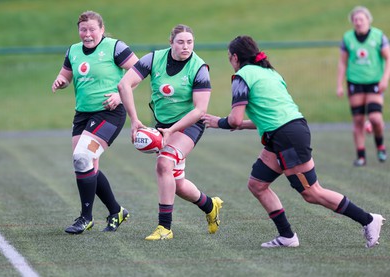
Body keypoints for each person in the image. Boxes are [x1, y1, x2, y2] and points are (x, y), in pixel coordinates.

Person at [202, 35, 385, 248]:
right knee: (258, 185)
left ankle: (369, 219)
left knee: (312, 192)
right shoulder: (270, 73)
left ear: (235, 57)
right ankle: (287, 236)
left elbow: (233, 120)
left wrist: (218, 122)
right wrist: (239, 125)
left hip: (286, 136)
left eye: (229, 57)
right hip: (286, 132)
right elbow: (269, 116)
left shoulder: (242, 77)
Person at [117, 24, 223, 240]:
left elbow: (200, 109)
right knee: (177, 183)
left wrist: (172, 130)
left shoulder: (199, 67)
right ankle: (210, 205)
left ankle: (164, 228)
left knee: (164, 163)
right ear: (171, 43)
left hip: (189, 125)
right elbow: (124, 85)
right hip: (162, 125)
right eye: (181, 42)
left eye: (190, 42)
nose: (186, 46)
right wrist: (135, 120)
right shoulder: (154, 59)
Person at [51, 11, 139, 234]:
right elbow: (66, 76)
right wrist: (61, 81)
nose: (87, 34)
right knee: (85, 164)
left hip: (109, 113)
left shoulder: (115, 47)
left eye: (92, 29)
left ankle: (85, 217)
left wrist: (120, 95)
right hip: (82, 115)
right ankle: (116, 211)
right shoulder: (73, 51)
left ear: (101, 29)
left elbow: (139, 72)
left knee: (83, 158)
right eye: (83, 29)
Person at [337, 6, 390, 167]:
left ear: (368, 20)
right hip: (355, 82)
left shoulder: (378, 36)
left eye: (361, 19)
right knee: (358, 120)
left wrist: (384, 79)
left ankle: (380, 145)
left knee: (375, 118)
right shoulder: (348, 38)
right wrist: (339, 84)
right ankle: (361, 156)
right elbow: (342, 62)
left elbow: (388, 59)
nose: (358, 23)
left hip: (374, 82)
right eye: (355, 20)